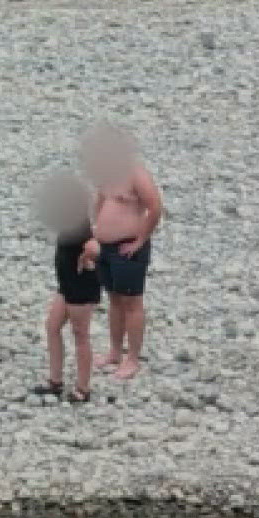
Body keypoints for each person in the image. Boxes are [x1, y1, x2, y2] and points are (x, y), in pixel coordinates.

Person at [81, 123, 163, 381]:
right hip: (105, 247)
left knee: (132, 302)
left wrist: (141, 240)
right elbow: (100, 202)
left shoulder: (137, 175)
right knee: (114, 299)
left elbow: (155, 207)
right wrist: (95, 233)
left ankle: (132, 359)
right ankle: (115, 352)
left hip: (128, 246)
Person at [33, 172, 101, 403]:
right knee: (52, 326)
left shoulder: (83, 227)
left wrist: (90, 257)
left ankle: (83, 388)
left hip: (81, 287)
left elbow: (96, 246)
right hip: (66, 284)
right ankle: (55, 380)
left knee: (80, 334)